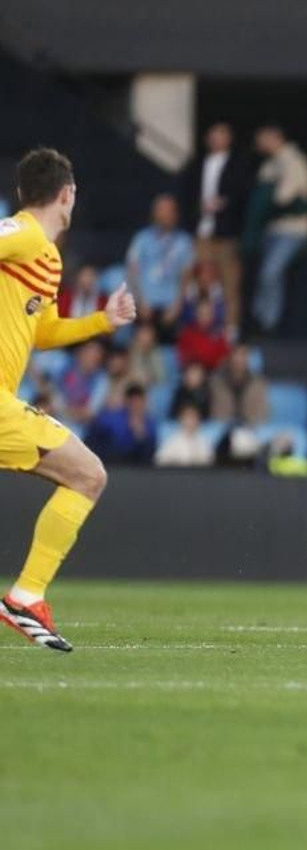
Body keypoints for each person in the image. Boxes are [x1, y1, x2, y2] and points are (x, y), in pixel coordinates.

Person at [0, 148, 138, 650]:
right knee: (87, 474)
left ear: (21, 191)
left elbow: (43, 330)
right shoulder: (26, 233)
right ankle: (25, 597)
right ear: (68, 194)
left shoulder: (46, 256)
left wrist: (103, 321)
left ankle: (25, 598)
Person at [245, 125, 307, 333]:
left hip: (294, 229)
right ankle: (264, 320)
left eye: (263, 139)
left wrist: (266, 198)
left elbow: (281, 198)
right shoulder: (269, 164)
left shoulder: (294, 160)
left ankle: (267, 321)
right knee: (270, 276)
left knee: (270, 272)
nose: (259, 144)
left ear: (276, 138)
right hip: (272, 229)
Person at [189, 122, 252, 333]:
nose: (216, 139)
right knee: (198, 281)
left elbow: (243, 194)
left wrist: (224, 202)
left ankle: (230, 330)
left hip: (226, 234)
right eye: (213, 134)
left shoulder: (238, 164)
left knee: (229, 282)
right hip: (202, 231)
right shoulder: (198, 163)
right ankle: (197, 324)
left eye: (221, 134)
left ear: (229, 138)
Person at [125, 193, 194, 339]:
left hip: (172, 309)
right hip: (144, 307)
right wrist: (139, 301)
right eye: (161, 210)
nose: (165, 215)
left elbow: (187, 277)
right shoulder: (141, 239)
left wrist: (177, 306)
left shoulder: (184, 242)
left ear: (176, 214)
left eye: (169, 211)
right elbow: (132, 272)